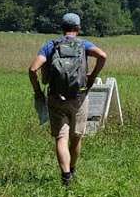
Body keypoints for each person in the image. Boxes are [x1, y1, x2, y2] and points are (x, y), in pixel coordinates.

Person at [28, 12, 108, 186]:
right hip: (79, 98)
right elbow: (103, 56)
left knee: (61, 138)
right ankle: (72, 169)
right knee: (76, 137)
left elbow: (33, 70)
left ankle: (65, 177)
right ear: (78, 28)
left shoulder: (51, 45)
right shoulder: (83, 44)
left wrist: (38, 92)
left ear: (62, 28)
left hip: (56, 98)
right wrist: (92, 76)